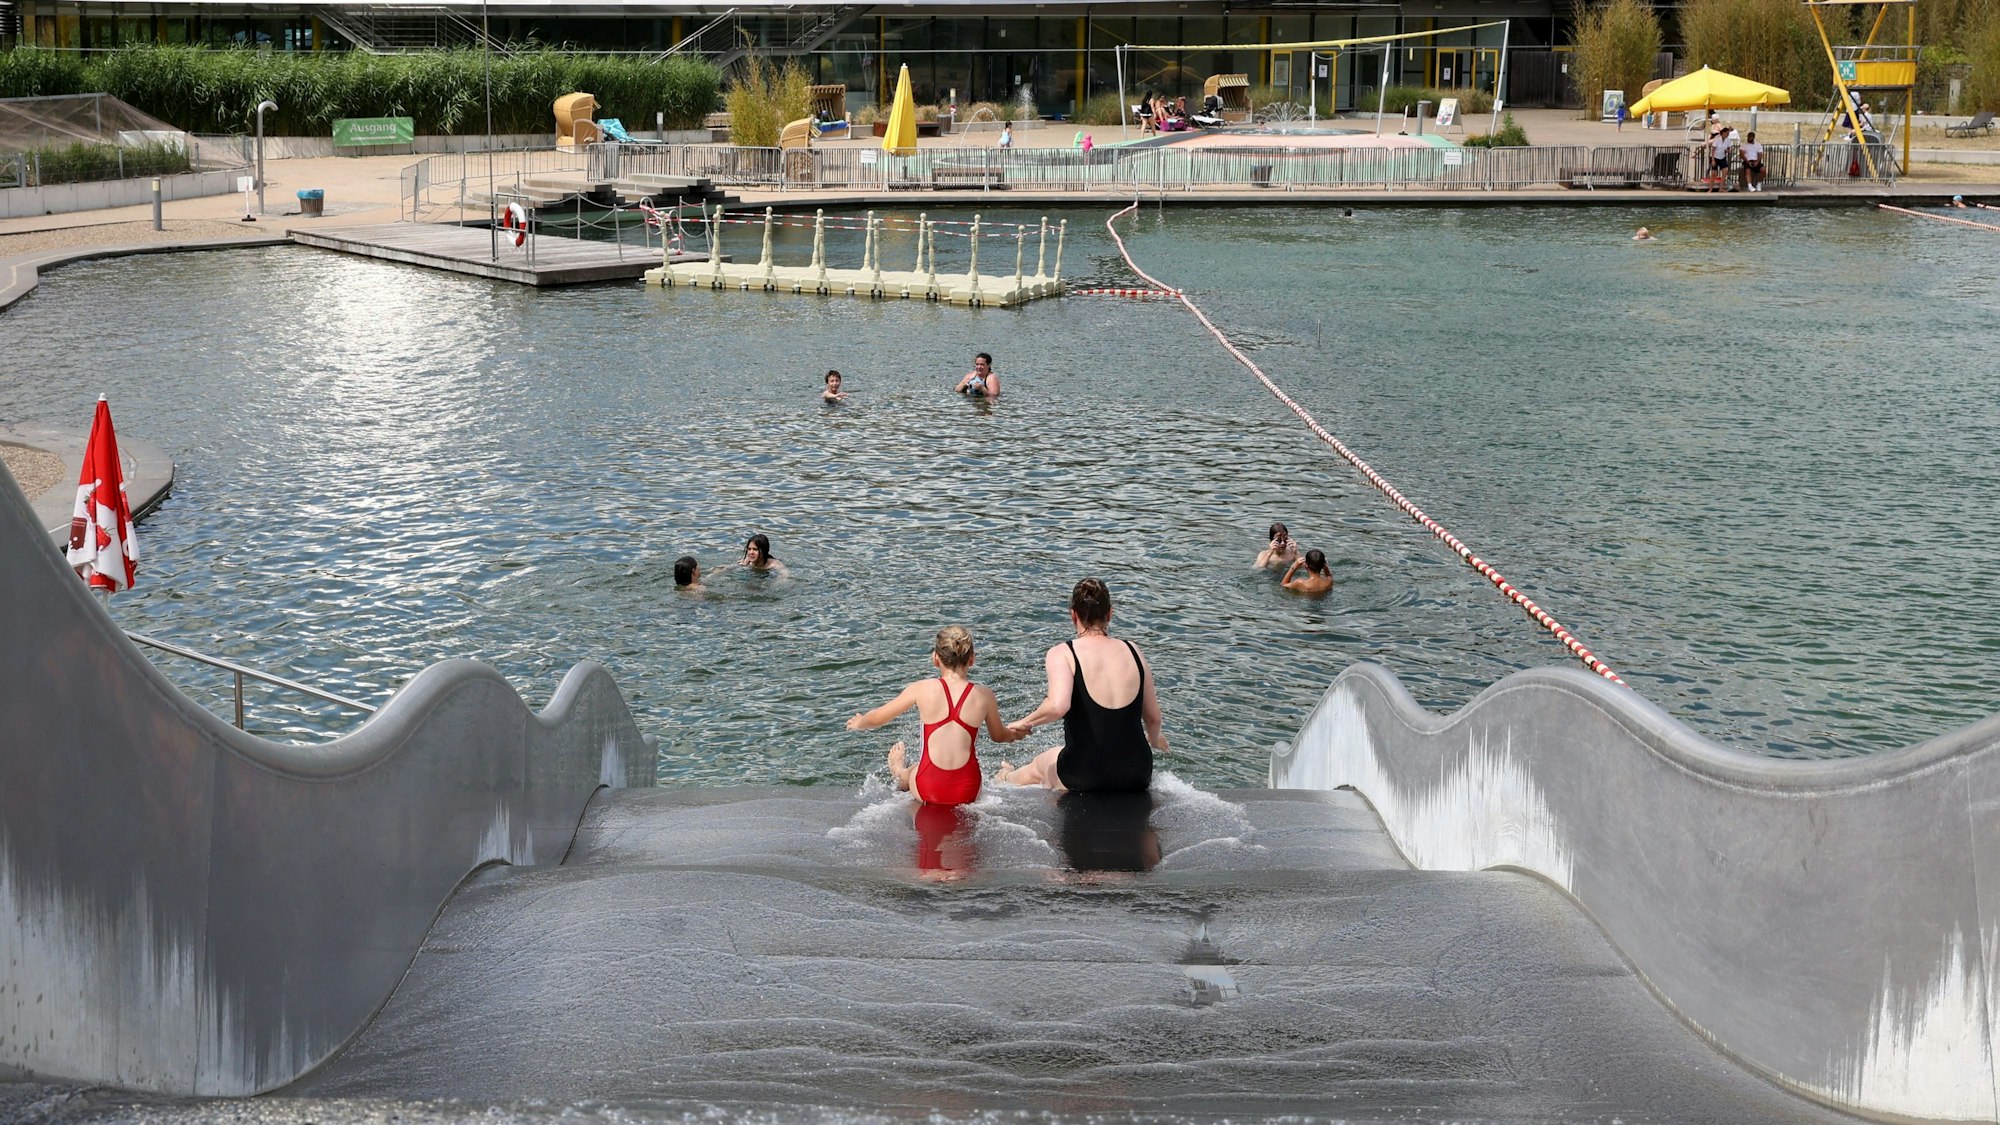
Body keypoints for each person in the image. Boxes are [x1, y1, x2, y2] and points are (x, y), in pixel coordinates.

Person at [993, 578, 1166, 793]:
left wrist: (1025, 722)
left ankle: (1006, 776)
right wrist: (1155, 738)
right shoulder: (1134, 650)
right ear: (1110, 614)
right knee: (1059, 754)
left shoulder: (1064, 653)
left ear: (1073, 615)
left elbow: (1057, 706)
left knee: (1042, 762)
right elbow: (1153, 718)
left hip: (1085, 775)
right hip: (1137, 773)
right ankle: (1009, 774)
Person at [847, 625, 1022, 806]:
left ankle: (899, 771)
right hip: (968, 790)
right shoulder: (984, 695)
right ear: (972, 660)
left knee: (914, 769)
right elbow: (999, 736)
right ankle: (1004, 775)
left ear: (935, 659)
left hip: (929, 788)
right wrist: (1015, 734)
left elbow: (877, 718)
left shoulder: (922, 688)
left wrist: (860, 722)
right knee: (973, 772)